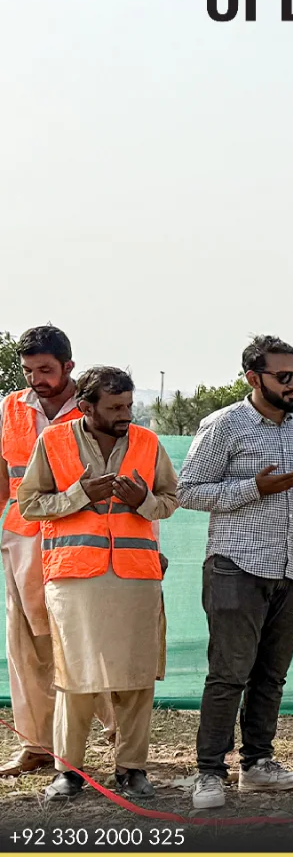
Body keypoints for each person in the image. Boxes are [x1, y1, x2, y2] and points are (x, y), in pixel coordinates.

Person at [177, 335, 293, 810]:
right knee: (229, 675)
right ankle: (209, 772)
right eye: (283, 376)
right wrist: (253, 488)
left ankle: (258, 764)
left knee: (272, 675)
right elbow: (188, 491)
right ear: (253, 378)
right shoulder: (224, 425)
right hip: (237, 566)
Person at [17, 366, 177, 803]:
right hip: (74, 578)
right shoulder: (53, 442)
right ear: (86, 407)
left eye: (129, 405)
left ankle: (132, 769)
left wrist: (142, 501)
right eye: (115, 407)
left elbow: (170, 500)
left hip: (136, 576)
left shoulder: (147, 442)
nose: (126, 414)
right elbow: (29, 505)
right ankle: (69, 772)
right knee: (76, 677)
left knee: (137, 677)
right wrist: (81, 493)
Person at [0, 327, 117, 778]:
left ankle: (119, 732)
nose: (37, 379)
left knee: (88, 638)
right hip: (22, 539)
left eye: (46, 369)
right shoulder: (10, 407)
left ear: (69, 366)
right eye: (29, 370)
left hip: (81, 538)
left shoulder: (93, 408)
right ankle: (36, 745)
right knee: (27, 644)